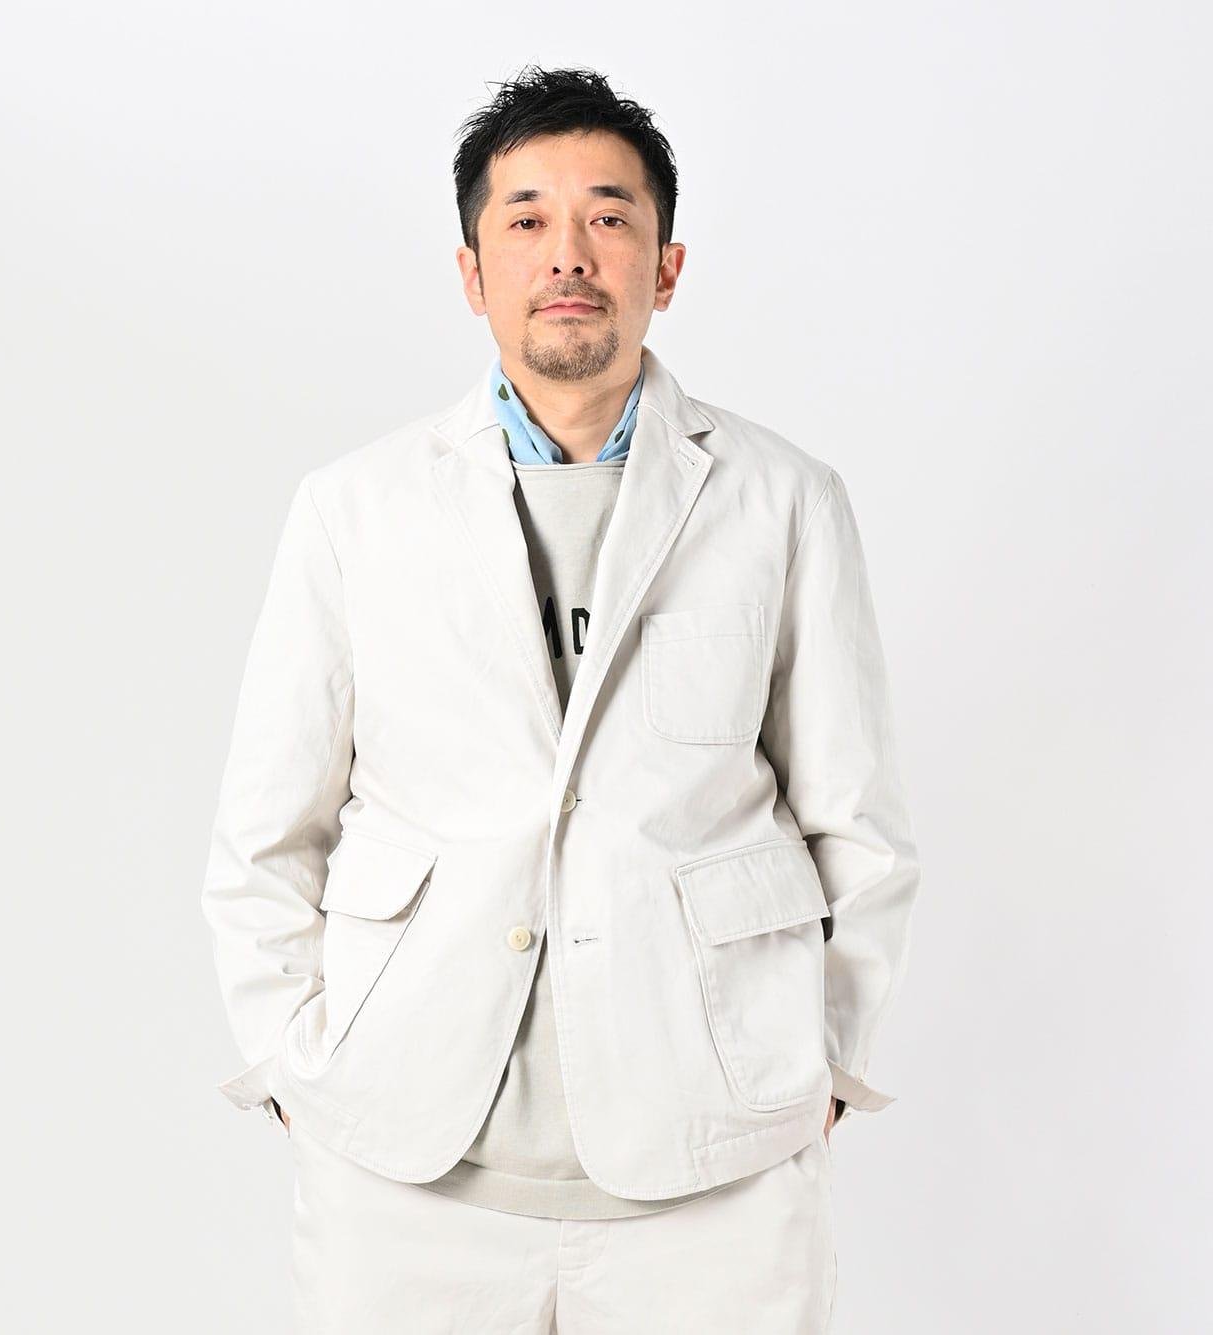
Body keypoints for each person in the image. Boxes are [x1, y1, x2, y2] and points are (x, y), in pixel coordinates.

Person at [202, 64, 921, 1333]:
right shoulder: (356, 509)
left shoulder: (783, 500)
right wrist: (292, 1062)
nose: (568, 254)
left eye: (608, 216)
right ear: (472, 272)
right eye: (527, 218)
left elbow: (856, 825)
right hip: (404, 1173)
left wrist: (823, 1073)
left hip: (716, 1176)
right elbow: (268, 831)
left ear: (667, 265)